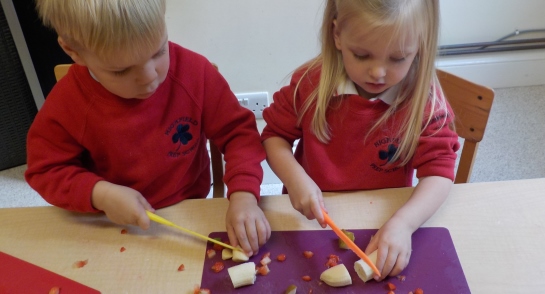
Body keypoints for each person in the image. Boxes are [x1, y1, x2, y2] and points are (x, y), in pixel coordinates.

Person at [25, 0, 270, 256]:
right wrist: (100, 194)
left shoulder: (195, 73)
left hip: (190, 205)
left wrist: (244, 194)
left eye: (158, 52)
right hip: (110, 224)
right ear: (73, 51)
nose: (150, 77)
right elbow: (45, 170)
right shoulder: (68, 103)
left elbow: (239, 134)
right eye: (121, 71)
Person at [261, 0, 459, 280]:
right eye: (362, 55)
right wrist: (295, 179)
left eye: (397, 58)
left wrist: (405, 223)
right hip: (309, 221)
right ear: (337, 35)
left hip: (386, 218)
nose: (378, 72)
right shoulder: (310, 83)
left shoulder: (425, 102)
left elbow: (439, 172)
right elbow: (274, 136)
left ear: (420, 46)